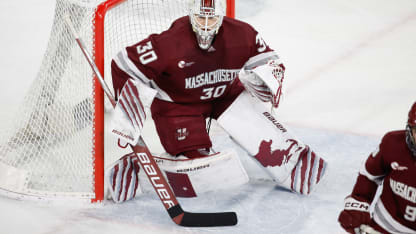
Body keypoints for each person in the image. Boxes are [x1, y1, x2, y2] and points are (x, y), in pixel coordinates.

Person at [106, 0, 328, 203]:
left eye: (210, 18)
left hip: (224, 96)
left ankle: (291, 165)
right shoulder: (171, 42)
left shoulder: (242, 34)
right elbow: (124, 65)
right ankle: (140, 172)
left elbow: (270, 61)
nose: (205, 25)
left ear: (221, 18)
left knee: (272, 141)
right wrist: (128, 108)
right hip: (178, 105)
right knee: (203, 170)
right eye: (200, 18)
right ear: (191, 16)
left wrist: (265, 79)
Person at [338, 102, 416, 234]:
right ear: (409, 129)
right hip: (383, 226)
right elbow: (369, 175)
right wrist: (358, 203)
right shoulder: (392, 144)